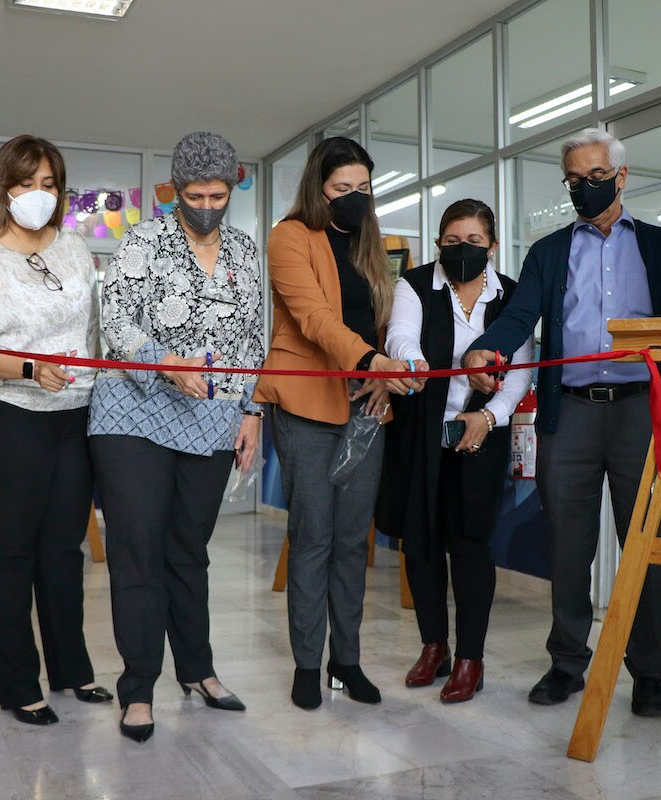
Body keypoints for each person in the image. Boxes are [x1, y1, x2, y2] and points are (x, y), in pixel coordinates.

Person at [464, 129, 661, 718]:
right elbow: (520, 315)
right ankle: (568, 662)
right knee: (568, 546)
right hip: (568, 413)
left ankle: (648, 672)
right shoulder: (548, 251)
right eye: (574, 180)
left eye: (596, 177)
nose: (584, 188)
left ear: (621, 177)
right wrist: (483, 350)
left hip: (642, 415)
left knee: (645, 544)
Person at [88, 131, 265, 743]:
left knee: (189, 550)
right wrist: (167, 360)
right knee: (138, 551)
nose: (209, 206)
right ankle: (138, 689)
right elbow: (113, 319)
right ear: (175, 191)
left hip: (212, 421)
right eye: (196, 195)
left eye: (219, 194)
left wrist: (251, 412)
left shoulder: (244, 250)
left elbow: (251, 341)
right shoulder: (145, 239)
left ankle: (198, 670)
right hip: (134, 416)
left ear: (233, 187)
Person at [0, 135, 111, 727]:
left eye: (48, 184)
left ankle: (71, 670)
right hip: (7, 417)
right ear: (2, 188)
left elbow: (95, 329)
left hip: (74, 416)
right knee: (9, 553)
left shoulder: (75, 249)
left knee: (63, 551)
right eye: (24, 184)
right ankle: (18, 683)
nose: (37, 195)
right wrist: (30, 367)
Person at [254, 137, 416, 711]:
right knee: (313, 537)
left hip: (366, 406)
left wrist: (387, 368)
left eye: (363, 190)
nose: (354, 199)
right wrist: (371, 361)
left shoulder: (376, 246)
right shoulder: (289, 236)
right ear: (318, 188)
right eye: (342, 189)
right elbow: (314, 318)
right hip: (305, 404)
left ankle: (346, 662)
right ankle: (306, 663)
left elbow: (388, 323)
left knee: (354, 541)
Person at [377, 198, 532, 704]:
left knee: (469, 544)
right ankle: (433, 646)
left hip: (478, 435)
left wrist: (489, 417)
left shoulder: (512, 297)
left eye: (472, 241)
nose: (460, 249)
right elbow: (400, 336)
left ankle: (471, 657)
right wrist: (418, 366)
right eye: (450, 240)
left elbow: (522, 369)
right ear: (438, 242)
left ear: (490, 245)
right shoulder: (416, 284)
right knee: (419, 543)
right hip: (420, 432)